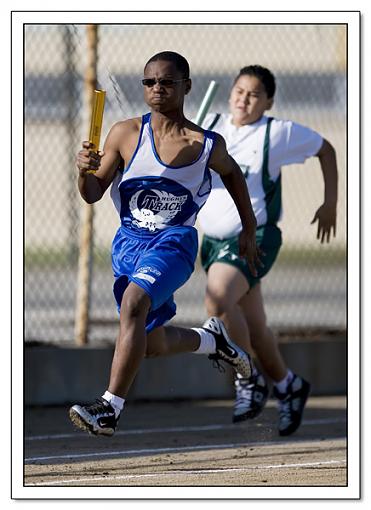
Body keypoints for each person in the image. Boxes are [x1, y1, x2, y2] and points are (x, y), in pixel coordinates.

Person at [68, 51, 260, 437]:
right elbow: (91, 192)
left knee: (134, 303)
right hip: (129, 245)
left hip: (174, 243)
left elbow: (234, 175)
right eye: (150, 82)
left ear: (186, 87)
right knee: (149, 342)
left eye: (167, 82)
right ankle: (212, 341)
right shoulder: (124, 133)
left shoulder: (205, 144)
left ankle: (109, 408)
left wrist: (249, 227)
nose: (157, 89)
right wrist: (84, 169)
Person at [197, 65, 338, 436]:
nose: (244, 99)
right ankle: (289, 384)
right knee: (255, 328)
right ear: (229, 93)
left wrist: (329, 203)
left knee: (217, 300)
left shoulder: (277, 133)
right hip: (211, 243)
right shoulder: (209, 125)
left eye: (254, 94)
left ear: (269, 101)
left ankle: (248, 378)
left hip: (253, 238)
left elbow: (326, 149)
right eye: (239, 91)